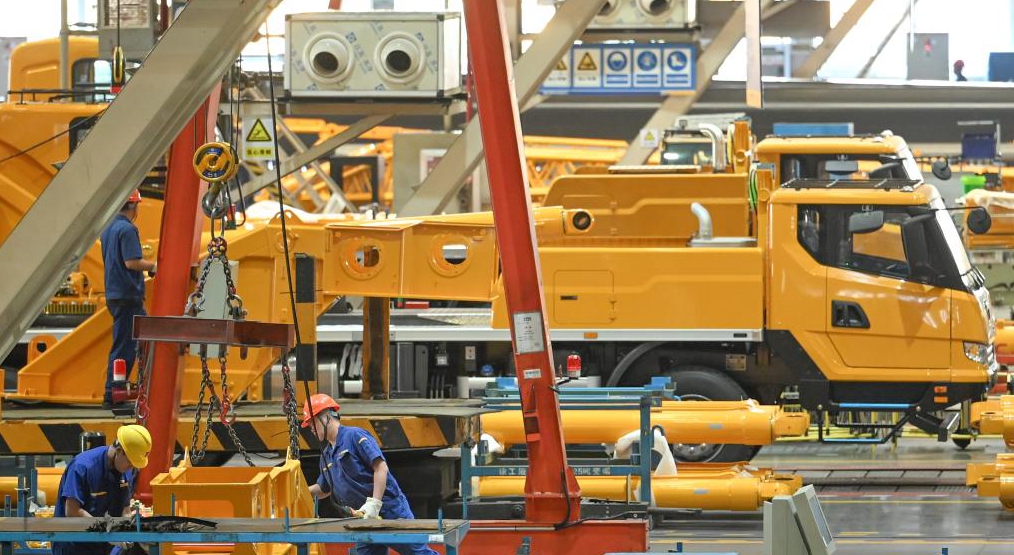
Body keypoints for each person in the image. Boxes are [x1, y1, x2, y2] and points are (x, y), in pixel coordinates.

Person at [303, 394, 438, 555]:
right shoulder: (326, 455)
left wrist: (374, 504)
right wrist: (302, 491)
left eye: (312, 422)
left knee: (418, 553)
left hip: (389, 511)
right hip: (364, 518)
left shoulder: (355, 436)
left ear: (326, 417)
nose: (311, 428)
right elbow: (324, 489)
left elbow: (381, 468)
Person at [52, 425, 151, 555]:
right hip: (74, 546)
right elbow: (72, 511)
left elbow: (125, 509)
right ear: (119, 450)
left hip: (102, 546)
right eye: (130, 462)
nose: (131, 468)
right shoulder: (82, 467)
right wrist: (106, 529)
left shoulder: (125, 469)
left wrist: (131, 529)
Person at [100, 190, 156, 410]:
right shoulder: (127, 229)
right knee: (124, 347)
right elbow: (132, 262)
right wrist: (154, 266)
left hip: (116, 294)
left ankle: (121, 391)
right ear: (133, 206)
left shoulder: (108, 228)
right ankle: (113, 394)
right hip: (127, 295)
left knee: (137, 340)